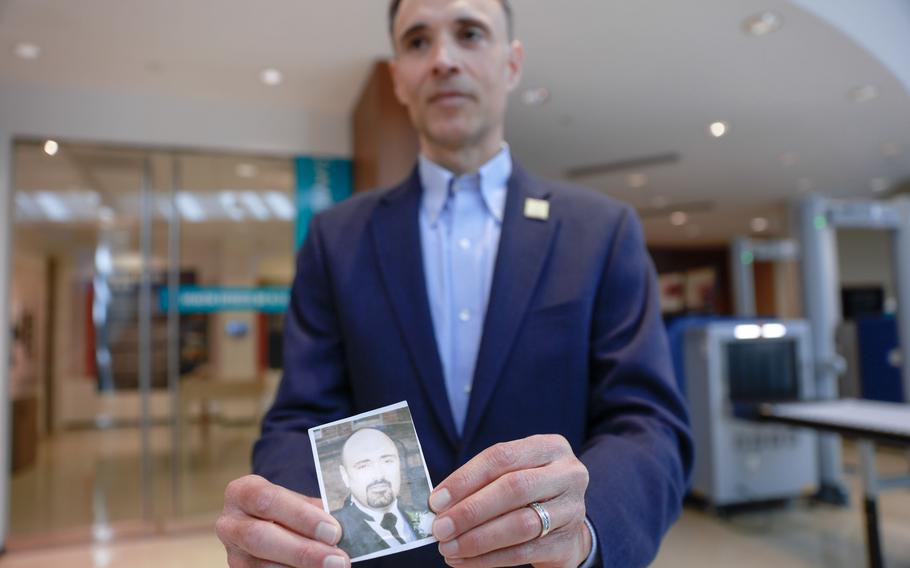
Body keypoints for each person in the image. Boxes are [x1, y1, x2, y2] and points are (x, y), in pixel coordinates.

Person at [215, 0, 693, 567]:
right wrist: (296, 522)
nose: (443, 59)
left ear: (511, 63)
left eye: (469, 33)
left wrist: (586, 526)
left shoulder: (601, 231)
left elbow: (649, 425)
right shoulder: (335, 239)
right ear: (397, 78)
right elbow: (299, 418)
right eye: (418, 41)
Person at [330, 428, 434, 559]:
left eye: (387, 461)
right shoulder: (335, 531)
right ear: (345, 476)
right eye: (363, 466)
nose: (378, 475)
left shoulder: (426, 517)